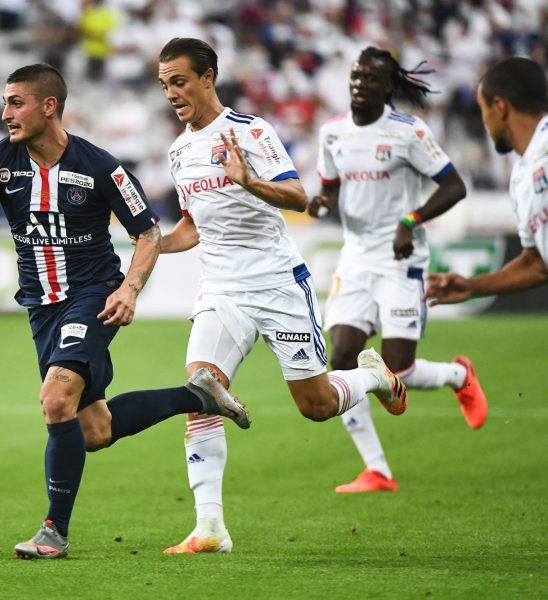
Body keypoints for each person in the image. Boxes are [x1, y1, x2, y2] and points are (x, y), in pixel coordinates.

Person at [0, 63, 250, 560]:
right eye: (4, 103)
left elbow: (146, 233)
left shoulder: (102, 167)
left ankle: (53, 533)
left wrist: (128, 290)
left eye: (16, 103)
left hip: (92, 294)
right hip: (41, 307)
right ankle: (198, 394)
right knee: (94, 430)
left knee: (56, 398)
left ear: (48, 106)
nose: (5, 114)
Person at [155, 37, 408, 555]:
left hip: (276, 284)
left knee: (315, 406)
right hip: (222, 289)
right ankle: (210, 529)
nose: (171, 94)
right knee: (199, 392)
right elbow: (190, 227)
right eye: (164, 85)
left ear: (207, 77)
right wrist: (149, 245)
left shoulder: (250, 132)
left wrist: (247, 180)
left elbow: (298, 196)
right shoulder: (179, 151)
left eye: (179, 81)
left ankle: (372, 376)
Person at [310, 47, 489, 494]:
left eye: (370, 78)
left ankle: (458, 376)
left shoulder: (409, 133)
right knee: (343, 359)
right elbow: (330, 189)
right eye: (355, 75)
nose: (359, 84)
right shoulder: (332, 133)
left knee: (398, 371)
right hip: (355, 257)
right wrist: (320, 203)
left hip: (400, 260)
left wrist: (411, 221)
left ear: (388, 86)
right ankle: (378, 470)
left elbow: (454, 185)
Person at [426, 56, 548, 304]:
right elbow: (537, 264)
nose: (484, 122)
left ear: (500, 107)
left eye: (483, 110)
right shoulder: (521, 177)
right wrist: (472, 286)